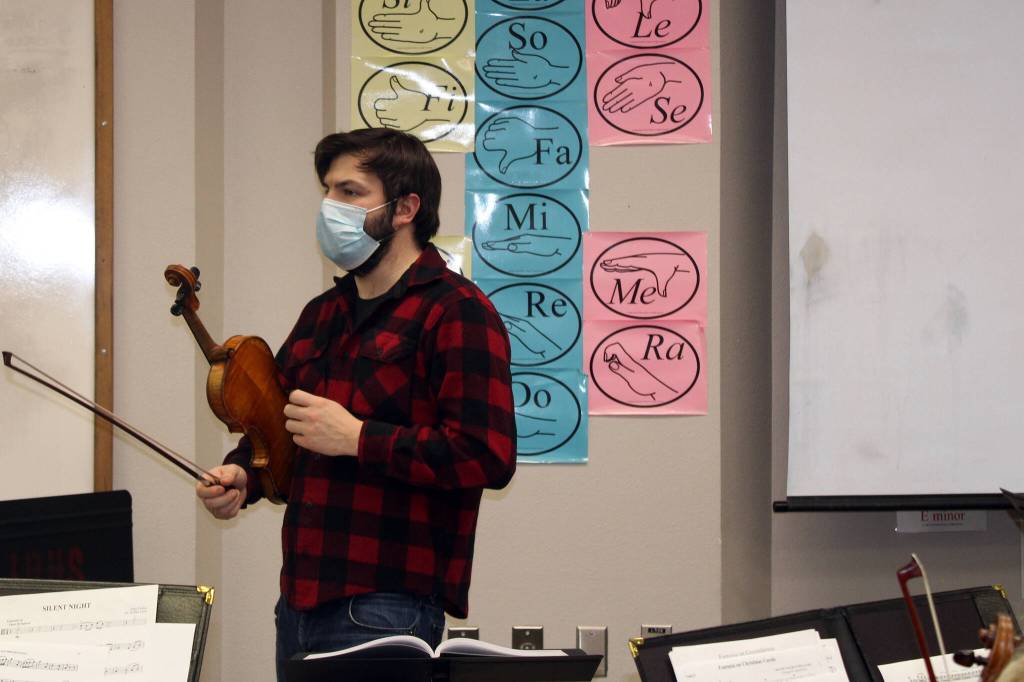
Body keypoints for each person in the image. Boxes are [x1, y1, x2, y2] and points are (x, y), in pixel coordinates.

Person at [195, 128, 517, 681]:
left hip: (387, 604)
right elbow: (282, 425)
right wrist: (244, 476)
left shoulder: (458, 310)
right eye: (328, 190)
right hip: (300, 599)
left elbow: (486, 454)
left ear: (405, 208)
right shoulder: (323, 313)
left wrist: (360, 438)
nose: (331, 207)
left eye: (350, 192)